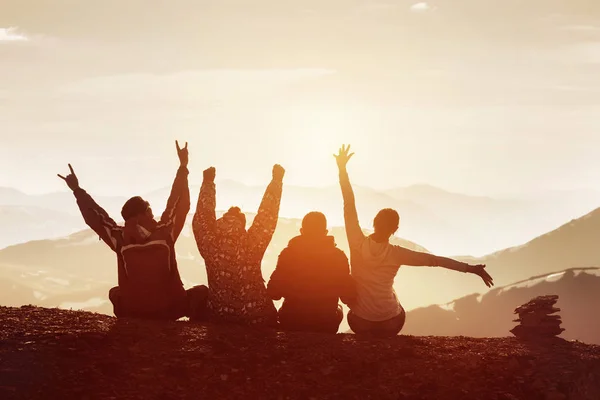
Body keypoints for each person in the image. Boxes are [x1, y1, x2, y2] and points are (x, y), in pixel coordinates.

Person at [334, 144, 494, 338]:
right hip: (390, 323)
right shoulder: (398, 254)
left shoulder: (356, 242)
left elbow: (348, 204)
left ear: (374, 222)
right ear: (395, 230)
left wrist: (342, 169)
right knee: (396, 306)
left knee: (350, 311)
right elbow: (436, 261)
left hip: (361, 322)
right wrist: (472, 269)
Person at [57, 141, 208, 321]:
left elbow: (96, 218)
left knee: (115, 293)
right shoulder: (164, 232)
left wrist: (76, 190)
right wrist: (183, 167)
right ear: (144, 213)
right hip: (170, 308)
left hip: (134, 310)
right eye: (150, 212)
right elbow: (179, 204)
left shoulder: (119, 238)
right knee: (202, 292)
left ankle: (130, 320)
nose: (153, 216)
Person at [193, 164, 284, 326]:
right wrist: (276, 181)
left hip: (220, 315)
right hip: (256, 317)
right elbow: (267, 216)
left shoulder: (209, 243)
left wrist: (207, 183)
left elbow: (203, 217)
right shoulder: (251, 243)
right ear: (242, 225)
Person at [267, 211, 356, 334]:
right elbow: (348, 296)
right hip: (325, 324)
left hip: (291, 321)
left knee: (284, 309)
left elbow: (274, 293)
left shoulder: (288, 254)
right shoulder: (338, 256)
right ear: (325, 233)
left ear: (301, 231)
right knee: (339, 309)